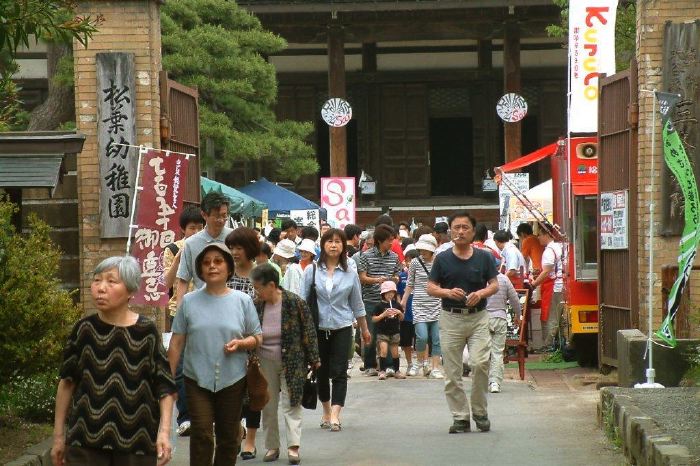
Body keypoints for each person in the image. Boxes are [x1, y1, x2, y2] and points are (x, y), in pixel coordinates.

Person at [52, 256, 176, 466]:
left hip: (137, 442)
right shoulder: (84, 329)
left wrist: (164, 433)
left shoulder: (146, 332)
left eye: (111, 281)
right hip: (85, 441)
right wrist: (58, 437)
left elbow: (164, 387)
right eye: (97, 280)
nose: (101, 288)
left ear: (130, 290)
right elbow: (67, 382)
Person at [168, 243, 262, 466]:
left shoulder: (243, 300)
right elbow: (176, 341)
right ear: (200, 269)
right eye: (206, 262)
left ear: (229, 268)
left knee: (229, 437)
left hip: (233, 379)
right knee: (201, 433)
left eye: (218, 261)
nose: (212, 266)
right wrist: (167, 380)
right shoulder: (189, 301)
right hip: (196, 379)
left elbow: (257, 337)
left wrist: (241, 343)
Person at [427, 211, 498, 434]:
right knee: (452, 371)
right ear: (450, 231)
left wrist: (482, 293)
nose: (460, 231)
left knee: (479, 363)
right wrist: (447, 292)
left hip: (478, 317)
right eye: (456, 227)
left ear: (473, 231)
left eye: (465, 227)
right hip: (450, 318)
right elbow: (431, 287)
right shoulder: (442, 258)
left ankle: (479, 411)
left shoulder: (485, 257)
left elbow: (494, 284)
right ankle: (460, 417)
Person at [301, 228, 371, 432]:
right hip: (318, 328)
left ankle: (335, 414)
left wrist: (365, 330)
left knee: (340, 372)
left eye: (337, 242)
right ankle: (325, 409)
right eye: (329, 241)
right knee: (320, 370)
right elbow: (303, 304)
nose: (333, 245)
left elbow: (357, 303)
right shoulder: (311, 270)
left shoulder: (350, 271)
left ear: (343, 246)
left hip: (342, 326)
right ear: (322, 245)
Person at [250, 264, 320, 464]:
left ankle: (293, 447)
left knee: (292, 402)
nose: (257, 292)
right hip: (264, 361)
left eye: (259, 288)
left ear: (271, 285)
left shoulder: (294, 302)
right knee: (268, 405)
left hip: (293, 360)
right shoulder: (257, 305)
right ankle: (272, 447)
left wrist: (314, 358)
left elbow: (308, 330)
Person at [162, 206, 204, 437]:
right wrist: (181, 254)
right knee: (180, 366)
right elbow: (167, 282)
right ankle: (185, 417)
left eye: (200, 227)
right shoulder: (171, 249)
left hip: (206, 312)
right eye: (192, 228)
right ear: (182, 229)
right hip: (179, 312)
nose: (196, 232)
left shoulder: (210, 247)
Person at [224, 227, 262, 460]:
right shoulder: (225, 273)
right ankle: (236, 429)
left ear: (250, 249)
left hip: (255, 341)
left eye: (239, 247)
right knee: (231, 391)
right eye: (232, 248)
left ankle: (250, 440)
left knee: (254, 391)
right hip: (227, 341)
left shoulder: (262, 275)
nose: (235, 252)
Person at [356, 224, 402, 376]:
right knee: (370, 333)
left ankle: (388, 365)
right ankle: (370, 364)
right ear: (379, 240)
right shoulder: (366, 256)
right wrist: (377, 280)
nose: (391, 243)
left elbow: (398, 276)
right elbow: (362, 278)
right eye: (389, 240)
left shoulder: (395, 257)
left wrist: (394, 279)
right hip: (370, 300)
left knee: (388, 333)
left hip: (388, 301)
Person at [175, 191, 233, 305]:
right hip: (201, 306)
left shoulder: (235, 239)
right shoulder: (191, 243)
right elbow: (183, 280)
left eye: (224, 215)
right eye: (216, 216)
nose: (221, 220)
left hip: (231, 305)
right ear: (204, 215)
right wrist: (180, 313)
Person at [402, 234, 444, 378]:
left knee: (437, 338)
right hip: (419, 302)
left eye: (425, 250)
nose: (422, 252)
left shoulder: (439, 261)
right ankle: (420, 362)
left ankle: (436, 367)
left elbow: (444, 282)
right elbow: (410, 283)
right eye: (420, 249)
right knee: (422, 336)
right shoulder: (415, 262)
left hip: (436, 302)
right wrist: (404, 301)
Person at [530, 226, 565, 351]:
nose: (538, 237)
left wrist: (533, 284)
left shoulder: (549, 250)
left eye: (539, 234)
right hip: (560, 286)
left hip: (554, 287)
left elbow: (546, 272)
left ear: (547, 234)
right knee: (558, 317)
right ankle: (557, 345)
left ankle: (548, 345)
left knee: (550, 317)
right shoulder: (559, 246)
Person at [486, 272, 521, 393]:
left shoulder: (480, 278)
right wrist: (518, 314)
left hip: (482, 319)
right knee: (497, 352)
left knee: (482, 351)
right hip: (500, 318)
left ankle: (481, 380)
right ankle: (495, 382)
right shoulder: (504, 279)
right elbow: (515, 299)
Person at [372, 281, 407, 380]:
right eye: (387, 293)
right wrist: (383, 315)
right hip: (382, 332)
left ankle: (397, 371)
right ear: (383, 294)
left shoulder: (397, 305)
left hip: (395, 332)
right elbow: (373, 319)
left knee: (395, 353)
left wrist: (399, 312)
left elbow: (402, 318)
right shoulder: (379, 306)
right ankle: (382, 371)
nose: (390, 295)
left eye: (392, 292)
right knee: (383, 351)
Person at [397, 248, 418, 374]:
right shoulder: (401, 276)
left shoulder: (423, 276)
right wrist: (401, 308)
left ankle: (423, 363)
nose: (409, 263)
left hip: (420, 312)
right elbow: (399, 294)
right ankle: (410, 363)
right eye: (407, 260)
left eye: (412, 260)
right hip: (406, 314)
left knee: (422, 339)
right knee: (406, 341)